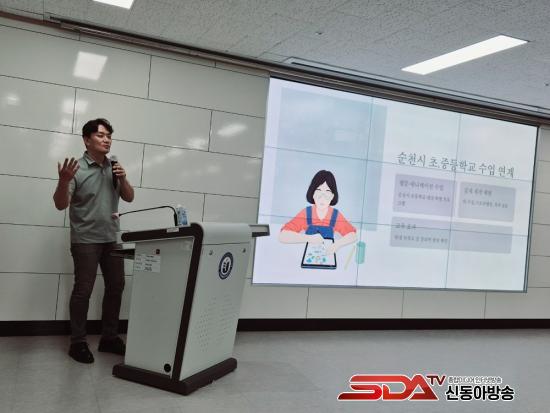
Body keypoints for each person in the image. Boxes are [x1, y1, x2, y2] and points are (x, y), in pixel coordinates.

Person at [53, 118, 135, 364]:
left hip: (111, 238)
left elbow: (129, 197)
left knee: (116, 286)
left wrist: (123, 178)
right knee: (83, 291)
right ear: (86, 140)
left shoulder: (114, 166)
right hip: (85, 240)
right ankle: (77, 342)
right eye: (101, 135)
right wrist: (64, 181)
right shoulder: (76, 169)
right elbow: (60, 204)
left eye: (109, 136)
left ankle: (109, 337)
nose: (106, 140)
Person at [279, 170, 357, 256]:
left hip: (328, 255)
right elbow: (283, 236)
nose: (322, 197)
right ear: (312, 193)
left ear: (332, 196)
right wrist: (309, 238)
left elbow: (352, 235)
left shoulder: (335, 215)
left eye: (327, 191)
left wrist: (337, 245)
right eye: (318, 190)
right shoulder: (306, 213)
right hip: (308, 257)